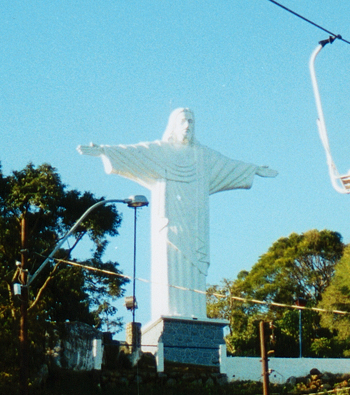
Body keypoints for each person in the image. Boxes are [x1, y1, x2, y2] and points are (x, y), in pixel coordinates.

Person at [79, 108, 276, 319]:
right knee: (170, 269)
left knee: (195, 273)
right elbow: (135, 153)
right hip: (170, 225)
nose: (188, 126)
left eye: (191, 121)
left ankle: (196, 315)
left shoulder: (203, 156)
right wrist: (105, 152)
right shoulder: (161, 151)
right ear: (174, 125)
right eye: (183, 121)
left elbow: (228, 166)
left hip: (196, 227)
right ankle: (171, 314)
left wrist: (252, 169)